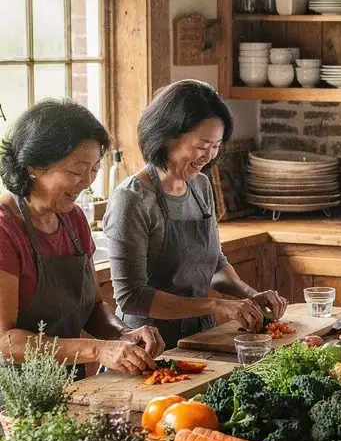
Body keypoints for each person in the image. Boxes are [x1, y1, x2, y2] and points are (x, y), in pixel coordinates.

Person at [104, 81, 286, 349]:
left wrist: (249, 295)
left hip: (199, 338)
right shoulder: (132, 199)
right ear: (167, 136)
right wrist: (215, 305)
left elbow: (214, 265)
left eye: (216, 146)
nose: (209, 156)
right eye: (202, 145)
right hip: (147, 347)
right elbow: (132, 297)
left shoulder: (200, 186)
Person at [0, 100, 162, 373]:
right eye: (76, 170)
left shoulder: (73, 219)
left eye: (94, 169)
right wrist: (97, 350)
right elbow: (5, 341)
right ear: (33, 167)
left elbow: (94, 308)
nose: (87, 181)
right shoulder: (5, 230)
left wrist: (122, 334)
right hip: (14, 397)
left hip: (68, 382)